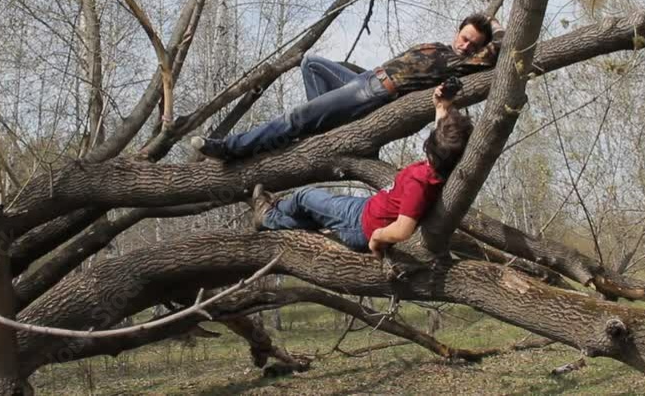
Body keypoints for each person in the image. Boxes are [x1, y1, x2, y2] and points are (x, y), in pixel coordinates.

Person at [191, 13, 501, 161]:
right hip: (364, 78)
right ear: (457, 31)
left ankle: (229, 148)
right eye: (464, 37)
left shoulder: (459, 65)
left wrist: (496, 28)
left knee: (296, 117)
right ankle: (323, 130)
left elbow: (498, 50)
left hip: (374, 92)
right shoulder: (437, 47)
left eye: (473, 44)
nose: (465, 45)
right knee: (310, 62)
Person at [249, 84, 472, 256]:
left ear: (433, 148)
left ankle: (270, 215)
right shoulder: (446, 167)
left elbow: (403, 229)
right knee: (314, 218)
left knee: (304, 197)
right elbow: (445, 142)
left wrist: (377, 237)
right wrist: (442, 107)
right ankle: (277, 214)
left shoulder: (420, 183)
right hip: (367, 209)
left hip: (360, 225)